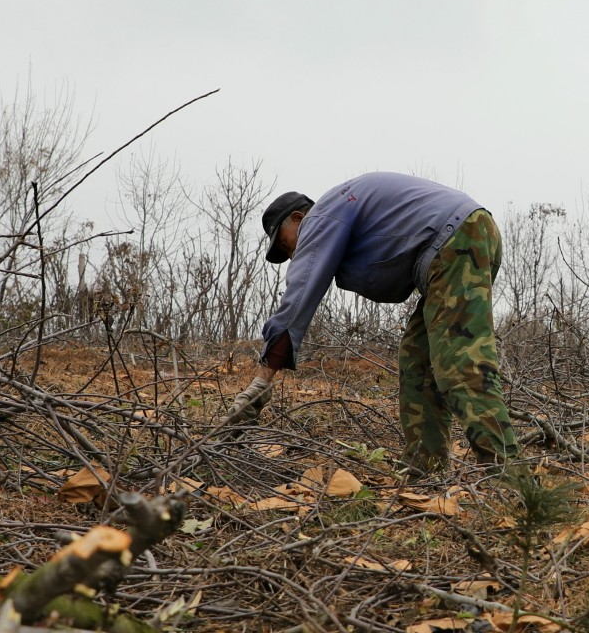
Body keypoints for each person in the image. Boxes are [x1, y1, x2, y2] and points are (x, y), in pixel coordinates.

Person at [222, 172, 519, 478]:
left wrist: (260, 382)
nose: (293, 255)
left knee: (457, 360)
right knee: (417, 360)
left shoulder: (321, 217)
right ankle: (424, 472)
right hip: (461, 240)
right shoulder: (342, 212)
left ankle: (512, 480)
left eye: (286, 246)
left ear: (298, 219)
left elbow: (298, 298)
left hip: (457, 239)